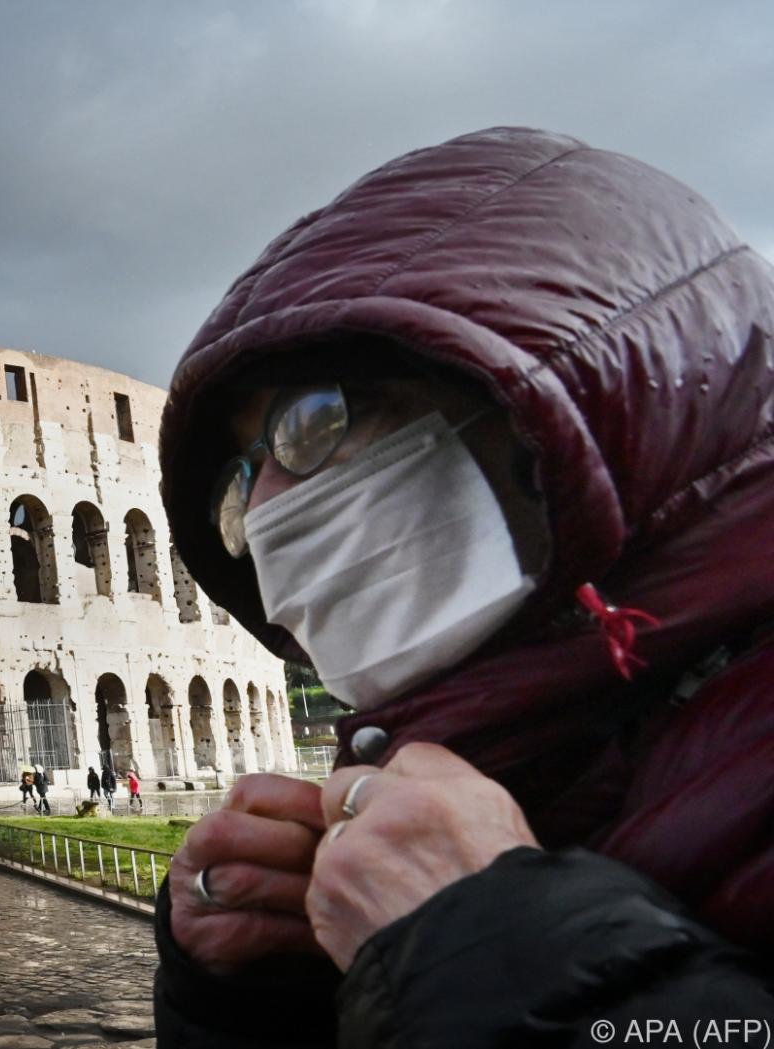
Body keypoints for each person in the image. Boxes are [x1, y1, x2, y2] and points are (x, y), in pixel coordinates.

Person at [151, 127, 774, 1046]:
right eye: (237, 487)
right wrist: (262, 995)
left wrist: (489, 951)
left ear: (563, 402)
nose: (269, 511)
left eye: (314, 418)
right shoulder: (497, 757)